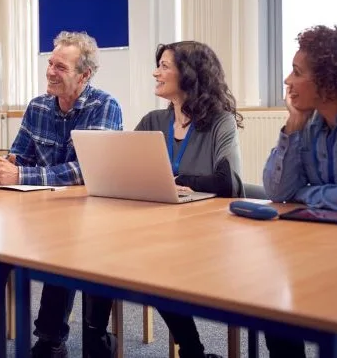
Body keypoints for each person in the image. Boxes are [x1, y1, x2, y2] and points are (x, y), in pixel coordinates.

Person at [0, 31, 123, 358]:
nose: (50, 71)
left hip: (81, 216)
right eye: (50, 63)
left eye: (61, 67)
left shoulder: (105, 106)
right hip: (34, 209)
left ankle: (50, 339)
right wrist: (0, 166)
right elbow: (22, 156)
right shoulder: (39, 106)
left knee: (65, 249)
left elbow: (85, 170)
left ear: (84, 75)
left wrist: (22, 173)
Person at [84, 40, 243, 358]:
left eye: (165, 66)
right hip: (154, 228)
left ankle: (192, 350)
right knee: (96, 257)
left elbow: (228, 183)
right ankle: (95, 342)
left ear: (189, 73)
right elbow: (124, 168)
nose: (156, 72)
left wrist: (176, 182)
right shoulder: (153, 122)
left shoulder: (219, 122)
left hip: (202, 233)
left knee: (154, 262)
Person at [262, 25, 337, 358]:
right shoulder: (310, 123)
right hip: (322, 243)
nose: (287, 81)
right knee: (274, 313)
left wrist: (306, 194)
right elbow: (277, 189)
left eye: (297, 72)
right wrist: (292, 126)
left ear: (330, 81)